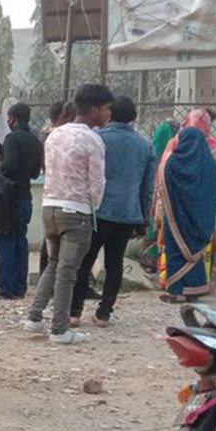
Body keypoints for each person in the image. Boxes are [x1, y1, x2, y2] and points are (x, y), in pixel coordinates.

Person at [25, 84, 112, 344]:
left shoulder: (54, 135)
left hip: (50, 207)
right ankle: (60, 329)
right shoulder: (93, 139)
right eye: (107, 109)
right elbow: (97, 182)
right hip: (76, 212)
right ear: (94, 109)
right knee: (67, 271)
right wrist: (93, 206)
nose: (108, 114)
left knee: (53, 266)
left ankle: (34, 317)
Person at [68, 96, 154, 325]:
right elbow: (147, 188)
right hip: (127, 213)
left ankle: (74, 312)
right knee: (114, 263)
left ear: (110, 113)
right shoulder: (145, 145)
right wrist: (144, 218)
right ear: (133, 116)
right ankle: (104, 312)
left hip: (97, 212)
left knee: (85, 260)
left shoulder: (97, 138)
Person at [156, 109, 216, 302]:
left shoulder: (172, 163)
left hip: (176, 217)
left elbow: (163, 187)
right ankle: (195, 288)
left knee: (175, 248)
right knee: (196, 251)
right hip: (200, 219)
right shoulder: (208, 164)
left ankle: (176, 290)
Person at [0, 103, 43, 300]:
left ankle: (6, 288)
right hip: (25, 196)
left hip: (8, 199)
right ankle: (19, 288)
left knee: (5, 242)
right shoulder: (35, 140)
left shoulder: (12, 138)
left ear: (12, 118)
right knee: (21, 242)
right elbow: (33, 172)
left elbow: (9, 168)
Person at [38, 100, 78, 276]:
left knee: (52, 240)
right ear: (65, 115)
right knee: (60, 244)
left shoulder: (47, 136)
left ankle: (46, 279)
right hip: (65, 194)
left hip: (52, 194)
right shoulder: (57, 137)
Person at [142, 119, 182, 273]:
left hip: (159, 183)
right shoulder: (170, 138)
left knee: (157, 219)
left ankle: (153, 258)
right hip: (162, 184)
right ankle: (153, 257)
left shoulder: (166, 139)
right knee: (157, 221)